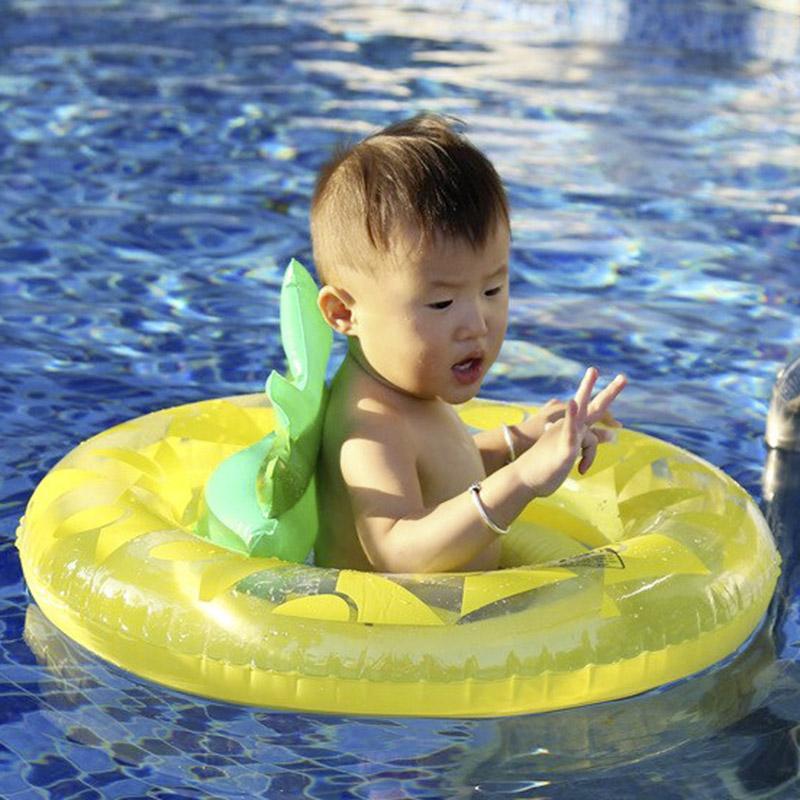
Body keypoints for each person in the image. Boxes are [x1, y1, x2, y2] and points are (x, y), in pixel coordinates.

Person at [311, 113, 626, 573]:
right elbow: (397, 550)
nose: (477, 323)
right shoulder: (371, 425)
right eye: (441, 303)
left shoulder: (409, 392)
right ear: (344, 313)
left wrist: (522, 440)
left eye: (493, 290)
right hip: (396, 637)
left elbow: (443, 473)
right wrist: (522, 479)